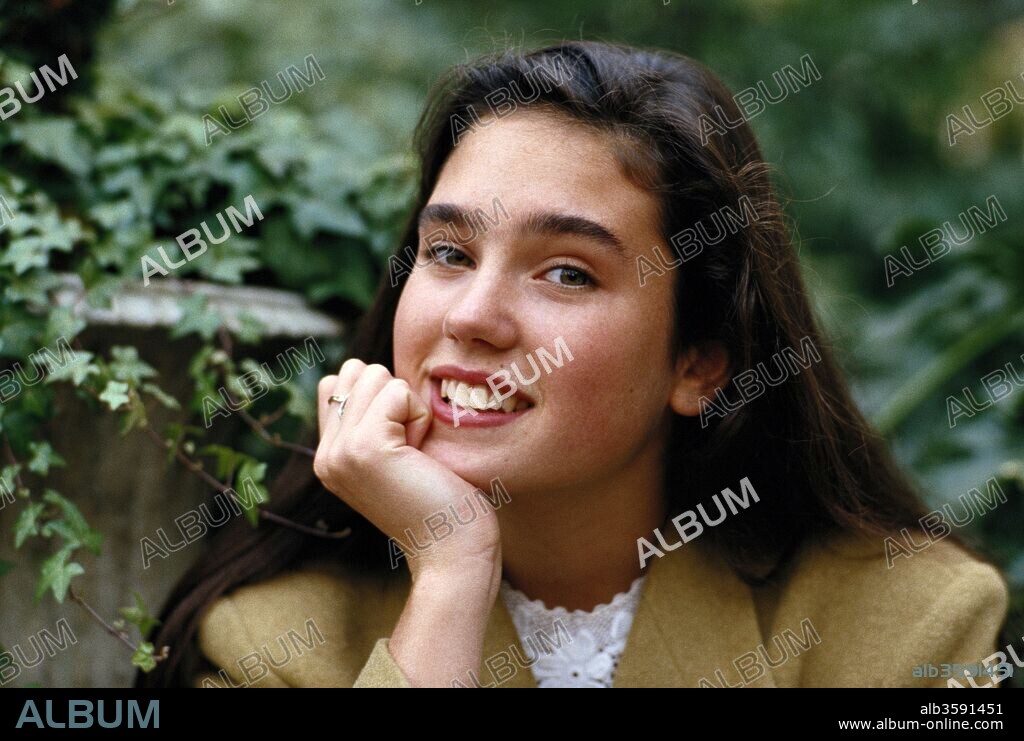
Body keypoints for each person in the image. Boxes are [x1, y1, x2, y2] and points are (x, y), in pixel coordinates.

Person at [136, 41, 1011, 689]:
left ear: (700, 363)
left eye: (566, 271)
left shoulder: (911, 630)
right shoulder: (277, 641)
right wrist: (448, 577)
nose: (473, 316)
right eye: (447, 252)